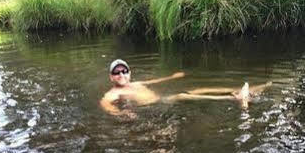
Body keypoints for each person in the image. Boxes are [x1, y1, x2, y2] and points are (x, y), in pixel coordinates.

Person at [100, 59, 272, 117]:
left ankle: (241, 89)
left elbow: (155, 81)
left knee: (196, 90)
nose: (121, 74)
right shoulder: (112, 94)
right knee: (182, 95)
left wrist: (172, 77)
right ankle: (234, 99)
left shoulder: (136, 84)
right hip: (156, 105)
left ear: (129, 73)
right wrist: (122, 114)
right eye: (117, 73)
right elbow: (106, 106)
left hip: (160, 99)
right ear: (111, 77)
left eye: (124, 71)